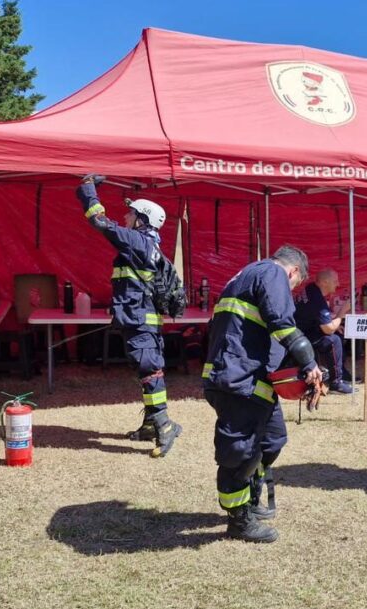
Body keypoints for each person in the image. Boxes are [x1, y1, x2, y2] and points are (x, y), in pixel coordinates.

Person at [202, 244, 322, 543]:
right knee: (239, 454)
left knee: (272, 440)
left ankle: (252, 495)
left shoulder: (246, 276)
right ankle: (239, 521)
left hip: (251, 380)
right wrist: (309, 364)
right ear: (293, 271)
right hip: (238, 381)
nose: (291, 291)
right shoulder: (272, 273)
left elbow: (262, 333)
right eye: (295, 285)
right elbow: (283, 325)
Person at [75, 175, 182, 458]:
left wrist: (88, 191)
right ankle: (150, 424)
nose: (125, 215)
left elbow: (100, 222)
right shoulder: (146, 245)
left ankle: (164, 424)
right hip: (139, 321)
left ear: (142, 221)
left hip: (139, 321)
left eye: (131, 213)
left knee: (149, 371)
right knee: (145, 370)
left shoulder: (138, 242)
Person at [294, 269, 354, 394]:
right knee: (333, 339)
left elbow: (314, 317)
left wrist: (334, 325)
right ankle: (336, 383)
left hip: (301, 330)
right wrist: (344, 310)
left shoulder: (311, 289)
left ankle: (341, 372)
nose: (338, 284)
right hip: (301, 336)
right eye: (335, 281)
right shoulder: (317, 299)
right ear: (325, 282)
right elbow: (328, 329)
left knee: (337, 333)